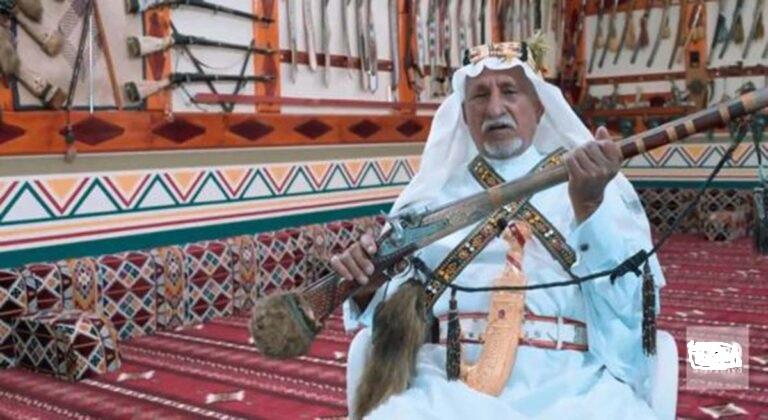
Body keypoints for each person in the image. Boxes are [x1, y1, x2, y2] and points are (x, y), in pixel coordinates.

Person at [330, 40, 665, 419]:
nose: (494, 108)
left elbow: (631, 307)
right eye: (479, 96)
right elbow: (389, 318)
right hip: (445, 383)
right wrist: (367, 285)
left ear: (539, 106)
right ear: (464, 113)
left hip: (569, 382)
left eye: (509, 91)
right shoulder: (432, 198)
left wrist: (589, 209)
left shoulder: (591, 182)